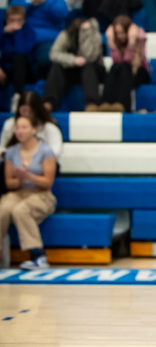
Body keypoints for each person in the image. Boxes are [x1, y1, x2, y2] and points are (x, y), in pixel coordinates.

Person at [1, 114, 58, 270]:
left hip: (41, 194)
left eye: (24, 127)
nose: (20, 131)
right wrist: (19, 179)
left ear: (34, 130)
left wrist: (28, 176)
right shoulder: (11, 152)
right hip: (18, 193)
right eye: (17, 127)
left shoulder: (46, 151)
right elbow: (9, 183)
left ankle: (37, 255)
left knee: (21, 210)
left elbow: (47, 182)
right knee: (3, 209)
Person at [10, 0, 69, 80]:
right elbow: (11, 16)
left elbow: (62, 15)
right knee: (14, 55)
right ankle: (19, 95)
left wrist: (44, 3)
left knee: (47, 57)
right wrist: (30, 3)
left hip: (47, 40)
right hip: (22, 38)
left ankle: (41, 91)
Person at [43, 18, 105, 112]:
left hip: (92, 70)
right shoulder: (66, 34)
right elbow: (54, 54)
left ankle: (91, 104)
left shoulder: (94, 34)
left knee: (88, 66)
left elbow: (90, 56)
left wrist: (87, 33)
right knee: (57, 66)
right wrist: (73, 60)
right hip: (72, 69)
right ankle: (49, 103)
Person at [0, 92, 64, 177]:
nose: (26, 114)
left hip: (43, 164)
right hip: (15, 164)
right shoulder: (10, 124)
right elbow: (2, 148)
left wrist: (32, 163)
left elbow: (54, 153)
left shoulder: (49, 127)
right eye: (23, 111)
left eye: (30, 111)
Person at [101, 16, 150, 113]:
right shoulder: (114, 39)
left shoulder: (139, 37)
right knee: (115, 67)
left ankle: (123, 105)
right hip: (124, 72)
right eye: (117, 33)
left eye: (122, 32)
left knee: (124, 67)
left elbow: (129, 61)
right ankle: (106, 103)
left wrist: (131, 42)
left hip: (140, 71)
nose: (120, 36)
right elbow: (117, 61)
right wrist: (111, 42)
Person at [0, 5, 36, 103]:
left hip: (23, 70)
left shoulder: (29, 32)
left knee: (19, 58)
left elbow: (22, 50)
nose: (15, 23)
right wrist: (4, 34)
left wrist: (17, 33)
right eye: (12, 20)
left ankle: (17, 97)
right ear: (6, 20)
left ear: (24, 20)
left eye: (19, 20)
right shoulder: (1, 31)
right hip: (3, 69)